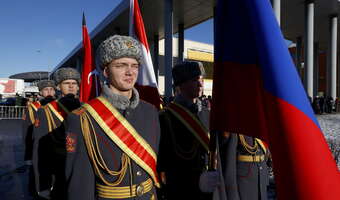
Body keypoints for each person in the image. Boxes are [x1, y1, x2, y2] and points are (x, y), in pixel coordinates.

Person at [65, 35, 161, 200]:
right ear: (105, 70)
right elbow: (80, 183)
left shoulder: (150, 111)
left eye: (134, 66)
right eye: (121, 65)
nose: (130, 72)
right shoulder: (82, 118)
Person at [157, 61, 214, 200]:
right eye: (195, 80)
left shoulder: (208, 114)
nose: (201, 84)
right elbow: (163, 160)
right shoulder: (166, 117)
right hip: (181, 188)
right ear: (181, 84)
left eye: (202, 79)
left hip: (208, 187)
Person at [32, 68, 81, 200]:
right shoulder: (45, 111)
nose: (71, 86)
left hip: (81, 168)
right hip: (58, 169)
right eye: (66, 83)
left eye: (74, 83)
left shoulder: (87, 109)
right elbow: (39, 149)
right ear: (58, 86)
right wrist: (43, 184)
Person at [22, 79, 56, 198]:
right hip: (38, 147)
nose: (50, 92)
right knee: (39, 179)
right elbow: (27, 132)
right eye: (46, 90)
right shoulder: (33, 108)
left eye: (52, 89)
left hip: (56, 147)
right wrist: (28, 155)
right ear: (41, 92)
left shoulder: (58, 105)